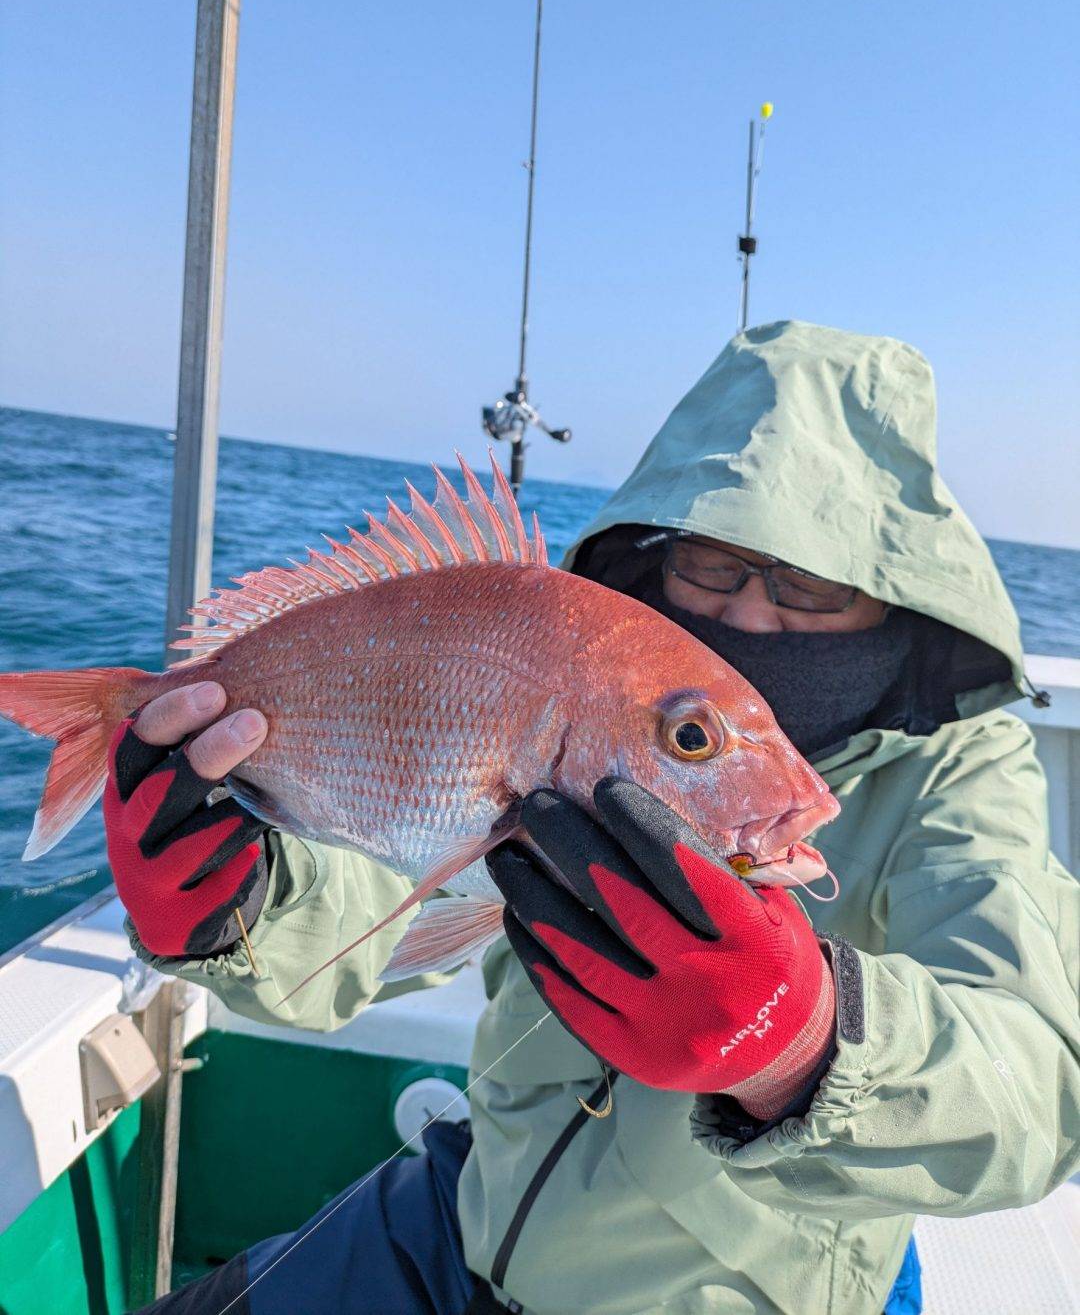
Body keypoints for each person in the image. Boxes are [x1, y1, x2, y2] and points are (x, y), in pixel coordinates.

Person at [116, 320, 1079, 1315]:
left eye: (809, 582)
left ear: (891, 594)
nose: (750, 615)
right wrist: (247, 905)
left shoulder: (959, 769)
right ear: (658, 554)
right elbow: (396, 896)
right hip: (472, 1213)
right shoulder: (589, 688)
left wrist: (802, 1045)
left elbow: (1039, 1079)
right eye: (711, 563)